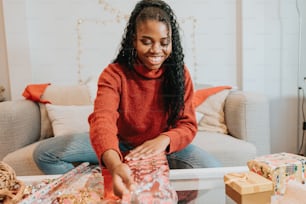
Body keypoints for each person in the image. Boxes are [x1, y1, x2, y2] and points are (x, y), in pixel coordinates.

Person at [33, 0, 221, 199]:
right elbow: (103, 120)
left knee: (212, 171)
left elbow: (187, 125)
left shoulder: (180, 74)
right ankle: (93, 191)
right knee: (45, 154)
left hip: (159, 146)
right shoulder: (114, 74)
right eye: (147, 41)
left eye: (164, 42)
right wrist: (114, 166)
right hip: (119, 142)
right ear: (134, 39)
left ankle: (156, 195)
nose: (156, 50)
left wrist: (162, 140)